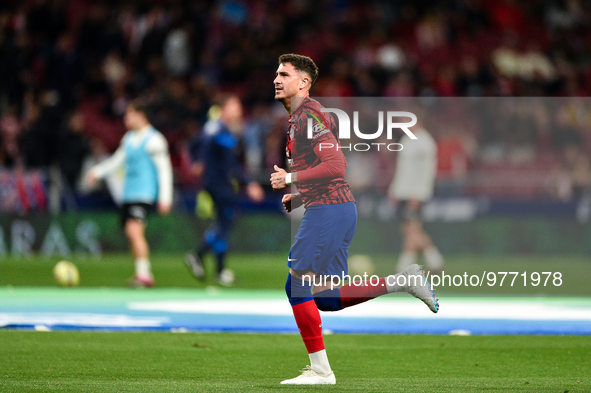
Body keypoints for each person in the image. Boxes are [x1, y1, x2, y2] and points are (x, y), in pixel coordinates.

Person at [270, 53, 439, 385]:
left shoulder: (309, 116)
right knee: (325, 298)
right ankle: (403, 281)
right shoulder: (301, 118)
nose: (276, 79)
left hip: (330, 210)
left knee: (297, 284)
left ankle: (321, 371)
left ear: (303, 82)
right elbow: (328, 173)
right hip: (335, 206)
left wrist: (291, 179)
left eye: (284, 74)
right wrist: (302, 194)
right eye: (276, 73)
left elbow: (336, 166)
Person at [86, 100, 173, 287]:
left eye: (130, 114)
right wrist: (97, 172)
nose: (126, 119)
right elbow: (117, 161)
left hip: (144, 193)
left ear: (141, 115)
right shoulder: (129, 138)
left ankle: (145, 275)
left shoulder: (155, 140)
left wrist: (166, 198)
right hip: (129, 193)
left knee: (134, 231)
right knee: (130, 232)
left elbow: (164, 170)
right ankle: (141, 272)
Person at [185, 94, 264, 286]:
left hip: (218, 182)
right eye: (234, 106)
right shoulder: (219, 130)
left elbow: (194, 144)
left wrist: (199, 161)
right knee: (223, 225)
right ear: (224, 108)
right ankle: (198, 254)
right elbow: (230, 164)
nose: (238, 110)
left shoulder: (221, 129)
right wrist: (249, 183)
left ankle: (220, 270)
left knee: (223, 224)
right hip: (219, 184)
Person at [388, 124, 445, 274]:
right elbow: (403, 169)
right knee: (409, 229)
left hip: (415, 193)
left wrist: (419, 193)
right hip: (404, 191)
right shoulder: (407, 140)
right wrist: (395, 190)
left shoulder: (425, 142)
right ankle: (433, 261)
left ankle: (408, 264)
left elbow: (426, 170)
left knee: (412, 228)